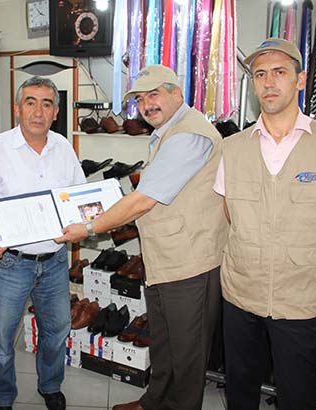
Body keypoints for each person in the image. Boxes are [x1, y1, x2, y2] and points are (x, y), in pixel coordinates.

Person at [59, 65, 229, 410]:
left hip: (190, 262)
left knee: (187, 352)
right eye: (139, 99)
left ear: (176, 93)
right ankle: (154, 402)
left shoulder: (188, 135)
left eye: (154, 94)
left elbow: (144, 200)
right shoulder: (170, 131)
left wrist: (90, 227)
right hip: (167, 256)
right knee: (164, 341)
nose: (146, 105)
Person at [213, 38, 316, 410]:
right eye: (260, 74)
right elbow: (230, 212)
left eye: (280, 72)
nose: (269, 82)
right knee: (240, 387)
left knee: (298, 392)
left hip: (300, 295)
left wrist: (295, 257)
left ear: (300, 79)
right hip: (241, 291)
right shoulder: (232, 148)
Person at [0, 76, 85, 410]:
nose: (38, 111)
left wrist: (85, 223)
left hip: (54, 261)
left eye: (47, 104)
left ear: (56, 112)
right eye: (31, 102)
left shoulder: (63, 148)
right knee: (2, 339)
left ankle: (50, 385)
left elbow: (79, 199)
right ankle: (2, 397)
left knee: (57, 329)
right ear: (17, 108)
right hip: (11, 262)